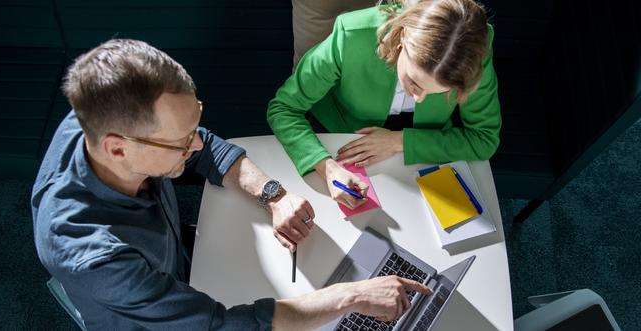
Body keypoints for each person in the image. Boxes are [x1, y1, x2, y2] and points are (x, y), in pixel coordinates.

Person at [31, 39, 431, 330]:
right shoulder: (91, 254)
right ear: (117, 150)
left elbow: (207, 149)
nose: (199, 142)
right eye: (182, 141)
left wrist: (273, 195)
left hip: (175, 258)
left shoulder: (106, 115)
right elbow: (217, 327)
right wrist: (351, 297)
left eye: (195, 120)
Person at [268, 0, 501, 209]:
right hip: (344, 135)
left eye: (439, 92)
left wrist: (398, 141)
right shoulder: (352, 35)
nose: (419, 98)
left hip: (426, 146)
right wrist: (327, 168)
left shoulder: (472, 50)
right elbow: (284, 108)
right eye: (414, 82)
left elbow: (484, 138)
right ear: (402, 39)